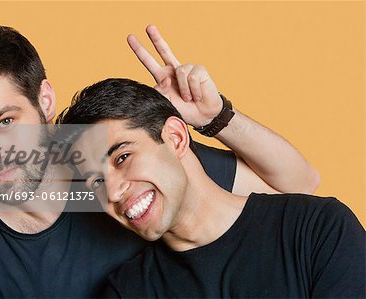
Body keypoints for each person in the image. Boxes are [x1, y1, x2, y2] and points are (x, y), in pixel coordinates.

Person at [0, 25, 318, 297]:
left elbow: (298, 186)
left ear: (44, 99)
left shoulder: (120, 166)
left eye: (6, 121)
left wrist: (215, 118)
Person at [59, 77, 365, 298]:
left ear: (176, 138)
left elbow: (303, 178)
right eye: (96, 182)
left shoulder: (317, 229)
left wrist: (216, 116)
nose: (112, 193)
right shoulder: (128, 291)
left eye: (123, 157)